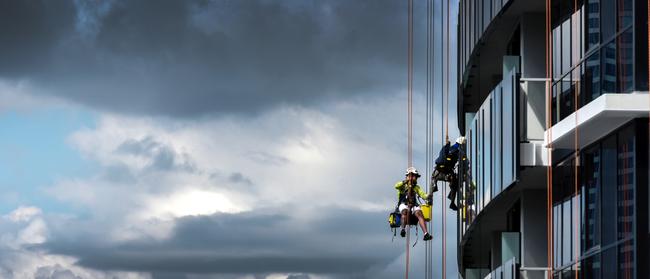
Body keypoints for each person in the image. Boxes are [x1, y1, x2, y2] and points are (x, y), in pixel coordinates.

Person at [395, 167, 433, 241]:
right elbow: (396, 186)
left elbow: (423, 195)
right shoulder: (402, 186)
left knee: (419, 213)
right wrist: (405, 182)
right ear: (407, 176)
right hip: (403, 204)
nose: (414, 178)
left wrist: (428, 196)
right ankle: (403, 229)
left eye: (415, 176)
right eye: (413, 176)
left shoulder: (416, 187)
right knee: (404, 211)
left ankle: (426, 234)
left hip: (413, 205)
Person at [431, 136, 466, 211]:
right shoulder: (457, 150)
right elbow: (462, 161)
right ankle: (452, 202)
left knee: (434, 179)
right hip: (446, 173)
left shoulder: (450, 148)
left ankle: (431, 195)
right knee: (455, 185)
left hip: (438, 172)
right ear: (462, 144)